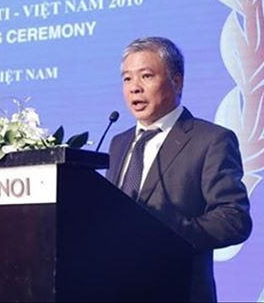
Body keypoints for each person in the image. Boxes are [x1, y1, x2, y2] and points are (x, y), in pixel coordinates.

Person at [106, 36, 252, 302]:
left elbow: (234, 219)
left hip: (178, 291)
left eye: (146, 76)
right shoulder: (119, 143)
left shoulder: (211, 140)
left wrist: (172, 230)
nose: (134, 88)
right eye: (127, 79)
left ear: (177, 81)